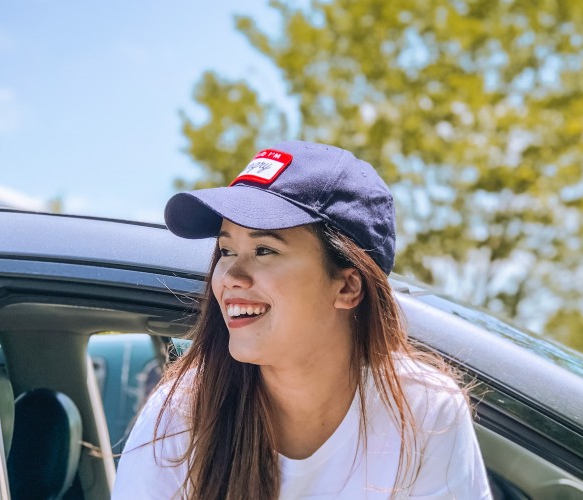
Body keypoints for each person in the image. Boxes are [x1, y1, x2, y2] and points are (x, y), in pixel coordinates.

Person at [113, 141, 492, 499]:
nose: (230, 277)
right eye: (226, 250)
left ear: (347, 287)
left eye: (264, 250)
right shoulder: (182, 413)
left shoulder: (423, 411)